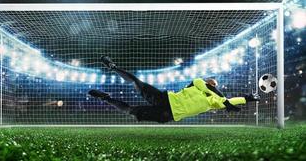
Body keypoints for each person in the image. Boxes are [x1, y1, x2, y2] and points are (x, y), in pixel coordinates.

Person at [88, 56, 260, 123]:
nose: (210, 82)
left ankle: (105, 98)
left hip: (169, 114)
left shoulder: (213, 102)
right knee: (137, 83)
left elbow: (229, 102)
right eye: (210, 81)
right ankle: (113, 66)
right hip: (166, 99)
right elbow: (202, 83)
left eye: (213, 82)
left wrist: (247, 98)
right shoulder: (198, 84)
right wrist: (224, 99)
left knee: (132, 111)